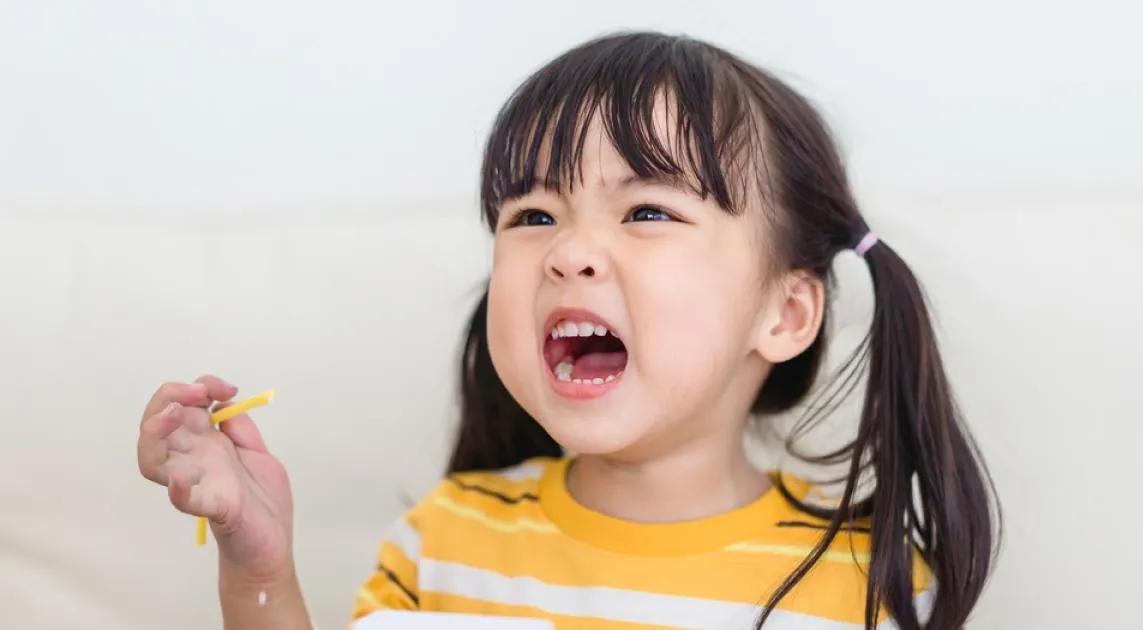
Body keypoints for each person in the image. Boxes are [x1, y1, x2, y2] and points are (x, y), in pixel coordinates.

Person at [137, 31, 999, 629]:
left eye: (649, 209)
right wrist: (257, 567)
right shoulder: (447, 543)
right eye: (535, 214)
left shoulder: (866, 583)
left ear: (785, 313)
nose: (570, 253)